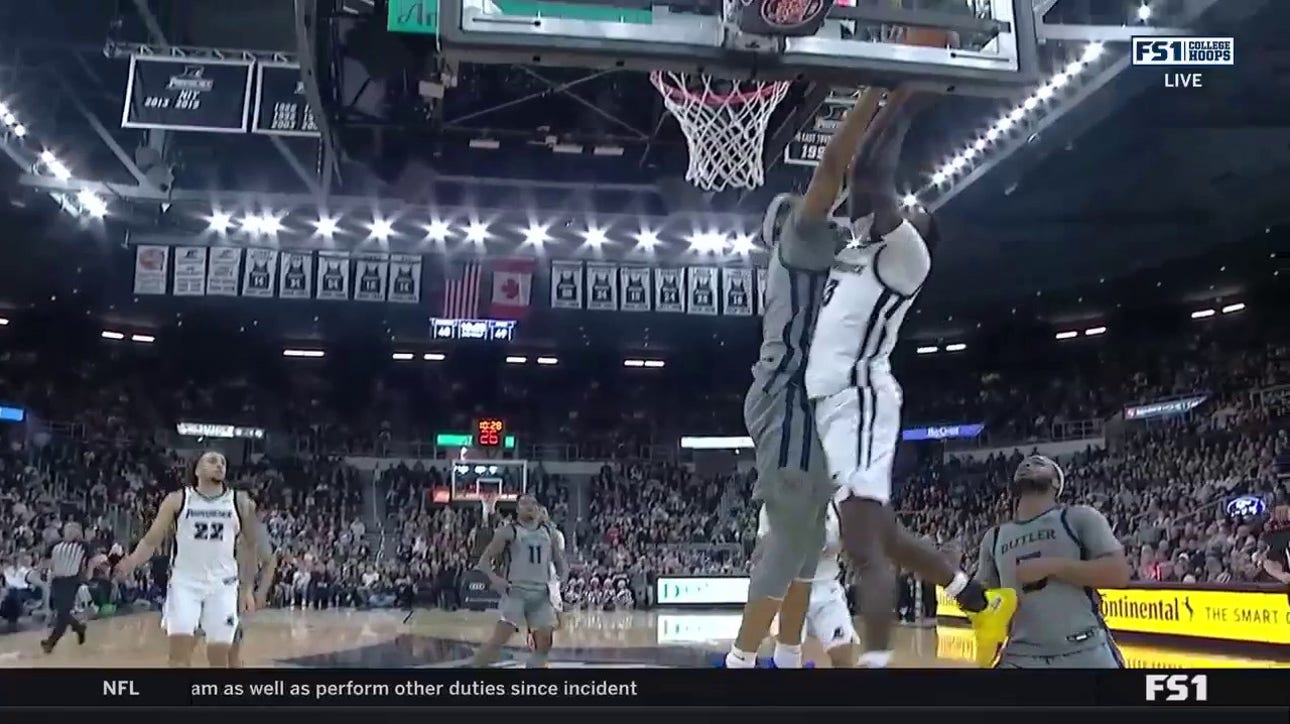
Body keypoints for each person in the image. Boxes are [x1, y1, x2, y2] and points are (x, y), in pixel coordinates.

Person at [799, 87, 1008, 668]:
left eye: (913, 208)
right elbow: (840, 180)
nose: (903, 205)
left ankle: (877, 665)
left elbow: (866, 174)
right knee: (883, 534)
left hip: (858, 398)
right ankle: (978, 600)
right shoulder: (856, 253)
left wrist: (905, 96)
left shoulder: (908, 258)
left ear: (918, 233)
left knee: (863, 545)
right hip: (826, 403)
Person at [724, 86, 890, 671]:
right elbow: (831, 170)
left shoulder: (834, 262)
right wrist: (876, 94)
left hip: (815, 404)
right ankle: (741, 663)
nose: (834, 211)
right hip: (788, 396)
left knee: (807, 549)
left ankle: (788, 659)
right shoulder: (800, 238)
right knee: (793, 539)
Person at [975, 455, 1131, 668]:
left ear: (1056, 483)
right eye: (1024, 464)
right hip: (1020, 656)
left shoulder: (1078, 517)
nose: (1029, 465)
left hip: (1084, 649)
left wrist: (1052, 566)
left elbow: (1118, 573)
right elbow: (980, 600)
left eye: (1039, 464)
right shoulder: (993, 538)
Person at [115, 451, 259, 667]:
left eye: (223, 462)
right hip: (185, 584)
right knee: (178, 656)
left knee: (220, 658)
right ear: (197, 469)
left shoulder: (239, 502)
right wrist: (131, 562)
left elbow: (251, 547)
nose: (220, 465)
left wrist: (247, 588)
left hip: (223, 585)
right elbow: (152, 540)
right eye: (212, 461)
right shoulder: (178, 500)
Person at [470, 494, 567, 668]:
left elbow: (560, 562)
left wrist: (562, 579)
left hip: (541, 594)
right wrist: (496, 579)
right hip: (516, 592)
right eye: (524, 503)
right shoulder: (509, 531)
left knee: (544, 644)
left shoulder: (548, 532)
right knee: (498, 642)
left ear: (538, 508)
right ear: (517, 509)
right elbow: (483, 562)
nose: (529, 506)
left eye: (533, 503)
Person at [756, 501, 857, 667]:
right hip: (789, 590)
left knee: (843, 656)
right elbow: (764, 547)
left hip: (826, 588)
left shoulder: (833, 503)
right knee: (787, 661)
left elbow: (841, 545)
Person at [230, 512, 277, 668]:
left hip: (239, 589)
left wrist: (261, 591)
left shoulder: (256, 529)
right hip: (213, 585)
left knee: (230, 636)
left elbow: (270, 562)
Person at [40, 522, 91, 653]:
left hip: (71, 581)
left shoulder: (83, 545)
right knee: (62, 612)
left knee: (62, 614)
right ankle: (79, 628)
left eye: (73, 530)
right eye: (68, 530)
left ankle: (51, 642)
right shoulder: (55, 544)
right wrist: (44, 571)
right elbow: (46, 559)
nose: (70, 533)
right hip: (56, 579)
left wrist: (88, 572)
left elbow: (93, 559)